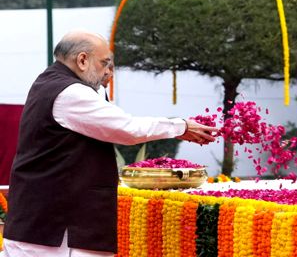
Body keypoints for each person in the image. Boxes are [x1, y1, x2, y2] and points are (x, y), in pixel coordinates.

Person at [1, 30, 217, 257]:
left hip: (43, 222)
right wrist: (181, 126)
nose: (108, 72)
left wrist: (98, 85)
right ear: (82, 60)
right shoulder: (71, 93)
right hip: (56, 227)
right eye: (104, 63)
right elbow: (127, 129)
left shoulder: (50, 81)